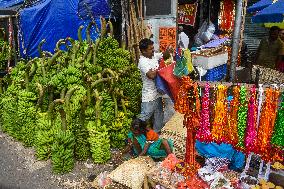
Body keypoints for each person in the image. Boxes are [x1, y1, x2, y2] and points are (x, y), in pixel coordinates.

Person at [138, 38, 164, 133]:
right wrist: (161, 69)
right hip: (149, 95)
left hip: (157, 93)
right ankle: (134, 136)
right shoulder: (143, 62)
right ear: (144, 51)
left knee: (159, 115)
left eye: (153, 48)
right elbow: (151, 75)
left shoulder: (152, 56)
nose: (153, 50)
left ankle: (156, 134)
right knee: (144, 116)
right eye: (150, 49)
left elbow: (163, 55)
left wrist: (169, 51)